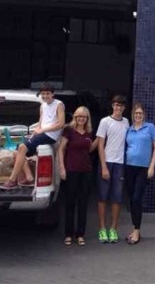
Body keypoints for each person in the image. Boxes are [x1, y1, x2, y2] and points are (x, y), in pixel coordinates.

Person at [0, 84, 65, 190]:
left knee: (22, 147)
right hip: (41, 133)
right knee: (17, 151)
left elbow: (61, 123)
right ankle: (29, 178)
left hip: (50, 135)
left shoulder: (59, 105)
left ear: (53, 94)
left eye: (48, 93)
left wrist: (42, 130)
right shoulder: (42, 105)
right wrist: (36, 131)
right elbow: (41, 121)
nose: (45, 96)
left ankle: (12, 181)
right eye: (43, 94)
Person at [58, 106, 98, 247]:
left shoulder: (89, 132)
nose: (81, 119)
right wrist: (62, 168)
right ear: (75, 117)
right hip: (71, 170)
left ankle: (80, 234)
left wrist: (99, 139)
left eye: (84, 117)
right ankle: (68, 234)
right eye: (79, 116)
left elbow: (90, 149)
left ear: (87, 119)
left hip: (86, 171)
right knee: (70, 203)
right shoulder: (68, 131)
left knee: (83, 203)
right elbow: (61, 150)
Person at [123, 102, 155, 245]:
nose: (138, 116)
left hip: (143, 168)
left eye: (140, 113)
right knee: (132, 200)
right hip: (129, 168)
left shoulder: (150, 127)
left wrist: (152, 166)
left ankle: (137, 231)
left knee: (137, 198)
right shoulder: (129, 130)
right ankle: (134, 229)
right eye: (136, 114)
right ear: (133, 115)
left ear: (144, 115)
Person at [95, 94, 129, 244]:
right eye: (116, 105)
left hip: (120, 164)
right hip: (106, 163)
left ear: (124, 108)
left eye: (121, 105)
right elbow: (100, 145)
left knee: (117, 198)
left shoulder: (127, 122)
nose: (118, 107)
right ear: (112, 106)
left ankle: (113, 228)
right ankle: (102, 228)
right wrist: (103, 167)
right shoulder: (105, 122)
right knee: (102, 198)